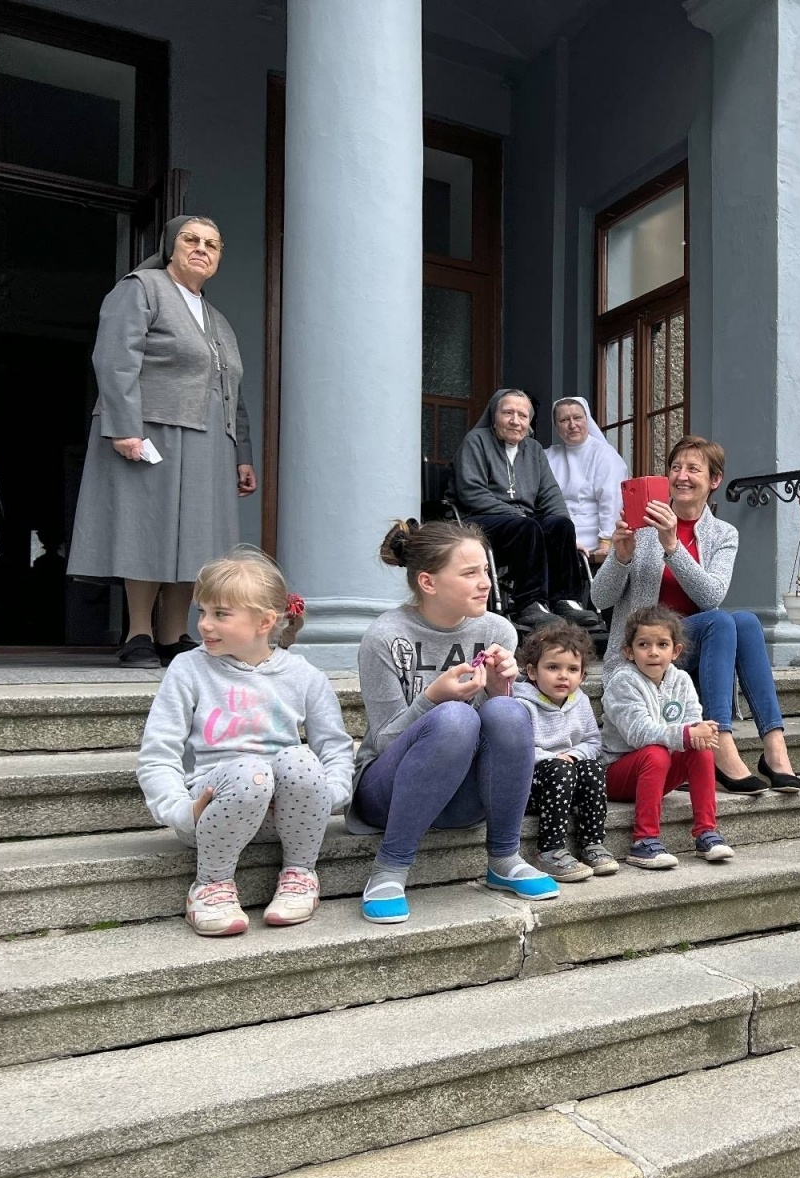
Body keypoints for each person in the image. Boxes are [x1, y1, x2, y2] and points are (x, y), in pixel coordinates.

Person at [69, 215, 256, 668]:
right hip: (153, 430)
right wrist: (123, 425)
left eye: (213, 243)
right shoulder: (143, 287)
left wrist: (242, 454)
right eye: (191, 240)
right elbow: (115, 359)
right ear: (171, 246)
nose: (202, 249)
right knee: (146, 532)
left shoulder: (218, 320)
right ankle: (138, 634)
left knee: (195, 541)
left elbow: (234, 391)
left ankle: (174, 635)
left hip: (211, 441)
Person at [350, 519, 559, 924]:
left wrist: (500, 689)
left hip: (463, 798)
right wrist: (433, 698)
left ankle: (504, 858)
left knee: (509, 710)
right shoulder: (385, 637)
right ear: (428, 582)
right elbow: (386, 740)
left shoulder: (497, 630)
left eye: (485, 570)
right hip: (387, 794)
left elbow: (496, 735)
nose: (485, 583)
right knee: (454, 718)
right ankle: (389, 869)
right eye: (469, 574)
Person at [135, 548, 352, 936]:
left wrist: (329, 795)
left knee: (299, 760)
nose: (204, 624)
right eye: (202, 611)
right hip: (207, 814)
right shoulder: (189, 668)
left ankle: (300, 874)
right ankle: (211, 885)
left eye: (220, 614)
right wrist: (181, 810)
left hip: (284, 820)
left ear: (265, 621)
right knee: (251, 771)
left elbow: (334, 748)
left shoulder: (304, 676)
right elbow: (158, 753)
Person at [592, 436, 800, 796]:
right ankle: (719, 739)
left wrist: (672, 547)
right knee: (722, 620)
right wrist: (621, 556)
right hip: (645, 654)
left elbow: (710, 595)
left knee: (746, 622)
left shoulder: (723, 534)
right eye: (675, 467)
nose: (682, 476)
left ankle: (774, 744)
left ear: (714, 480)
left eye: (693, 468)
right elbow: (599, 598)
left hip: (692, 657)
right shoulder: (642, 525)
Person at [448, 388, 599, 631]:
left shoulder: (534, 449)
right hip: (480, 522)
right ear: (494, 415)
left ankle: (565, 601)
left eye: (522, 415)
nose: (515, 421)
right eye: (508, 413)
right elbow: (471, 493)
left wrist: (571, 537)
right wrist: (518, 516)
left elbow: (551, 494)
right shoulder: (476, 441)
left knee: (560, 525)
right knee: (527, 525)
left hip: (523, 524)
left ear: (529, 421)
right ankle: (530, 604)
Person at [601, 606, 732, 869]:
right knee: (656, 751)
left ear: (675, 651)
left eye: (662, 644)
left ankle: (706, 832)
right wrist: (686, 733)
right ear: (629, 651)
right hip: (617, 774)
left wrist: (702, 731)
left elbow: (692, 718)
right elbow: (639, 733)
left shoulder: (681, 679)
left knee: (701, 749)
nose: (653, 652)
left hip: (659, 771)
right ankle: (644, 841)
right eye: (643, 644)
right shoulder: (623, 682)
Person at [514, 621, 616, 882]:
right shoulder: (521, 703)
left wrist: (572, 756)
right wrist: (555, 760)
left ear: (582, 676)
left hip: (566, 781)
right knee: (560, 768)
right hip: (530, 787)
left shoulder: (579, 700)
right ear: (532, 672)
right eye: (552, 667)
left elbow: (593, 742)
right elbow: (518, 749)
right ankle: (550, 850)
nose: (563, 676)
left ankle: (592, 844)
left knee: (592, 767)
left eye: (572, 669)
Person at [545, 396, 628, 566]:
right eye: (564, 420)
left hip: (591, 536)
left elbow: (611, 501)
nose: (572, 425)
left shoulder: (605, 455)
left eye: (577, 418)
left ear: (587, 419)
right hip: (554, 532)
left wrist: (605, 542)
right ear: (556, 426)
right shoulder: (548, 456)